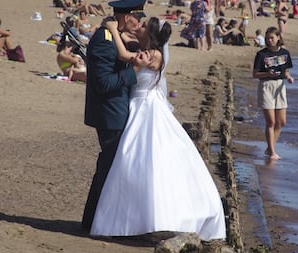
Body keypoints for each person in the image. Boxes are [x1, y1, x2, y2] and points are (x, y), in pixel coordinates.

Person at [90, 17, 226, 241]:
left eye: (143, 26)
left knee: (145, 161)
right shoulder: (144, 49)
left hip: (146, 107)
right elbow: (126, 49)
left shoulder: (154, 55)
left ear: (150, 34)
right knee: (131, 164)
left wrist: (113, 30)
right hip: (137, 106)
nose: (139, 27)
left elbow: (124, 55)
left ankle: (152, 219)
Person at [82, 0, 152, 232]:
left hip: (117, 111)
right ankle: (94, 222)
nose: (138, 22)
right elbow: (103, 83)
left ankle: (98, 221)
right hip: (110, 114)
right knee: (108, 168)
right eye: (137, 16)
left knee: (111, 168)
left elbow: (125, 52)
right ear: (125, 16)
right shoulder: (104, 40)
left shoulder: (114, 37)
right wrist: (133, 71)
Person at [253, 26, 294, 160]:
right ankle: (271, 151)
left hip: (280, 86)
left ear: (278, 38)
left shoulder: (285, 53)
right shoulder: (261, 54)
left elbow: (286, 70)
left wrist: (289, 77)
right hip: (266, 85)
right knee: (270, 121)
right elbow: (255, 74)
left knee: (281, 122)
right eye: (268, 38)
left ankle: (270, 147)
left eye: (272, 38)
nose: (270, 40)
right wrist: (267, 73)